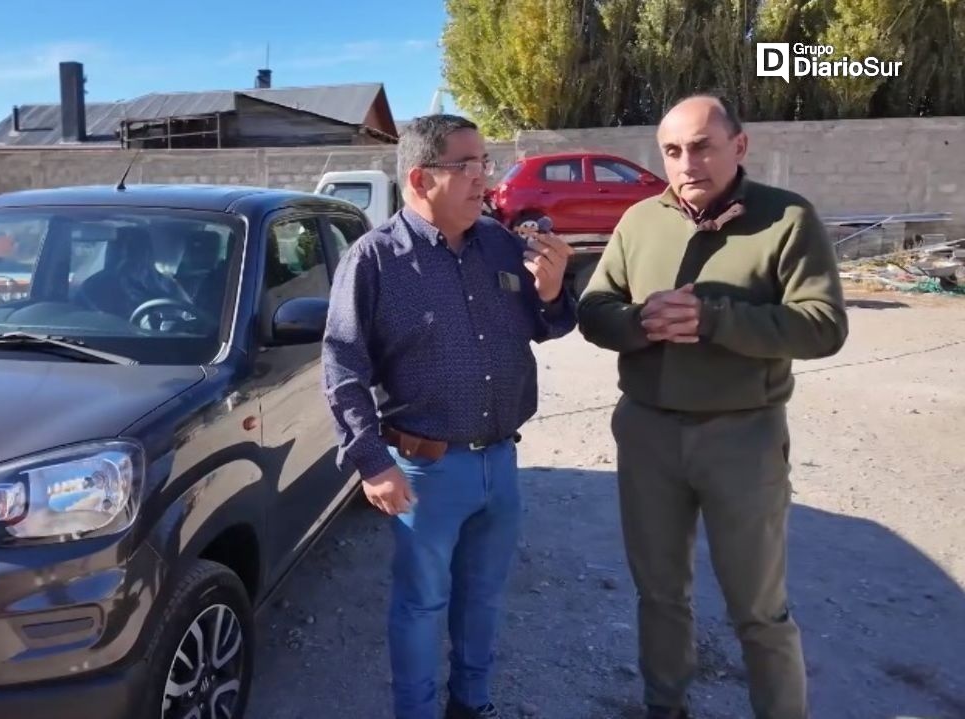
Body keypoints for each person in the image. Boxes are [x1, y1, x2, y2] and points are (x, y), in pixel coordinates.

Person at [577, 94, 849, 719]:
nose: (687, 163)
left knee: (758, 608)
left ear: (739, 146)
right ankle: (665, 708)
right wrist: (641, 323)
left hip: (742, 437)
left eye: (702, 146)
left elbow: (822, 327)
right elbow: (594, 310)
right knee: (660, 594)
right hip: (647, 434)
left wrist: (713, 319)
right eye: (672, 150)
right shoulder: (640, 221)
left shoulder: (788, 219)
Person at [321, 114, 577, 719]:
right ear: (420, 176)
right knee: (422, 605)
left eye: (483, 163)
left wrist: (553, 289)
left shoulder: (499, 242)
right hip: (426, 470)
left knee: (483, 598)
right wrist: (371, 462)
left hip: (501, 461)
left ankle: (472, 703)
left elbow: (551, 326)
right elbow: (342, 367)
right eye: (467, 166)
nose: (482, 178)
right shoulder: (375, 260)